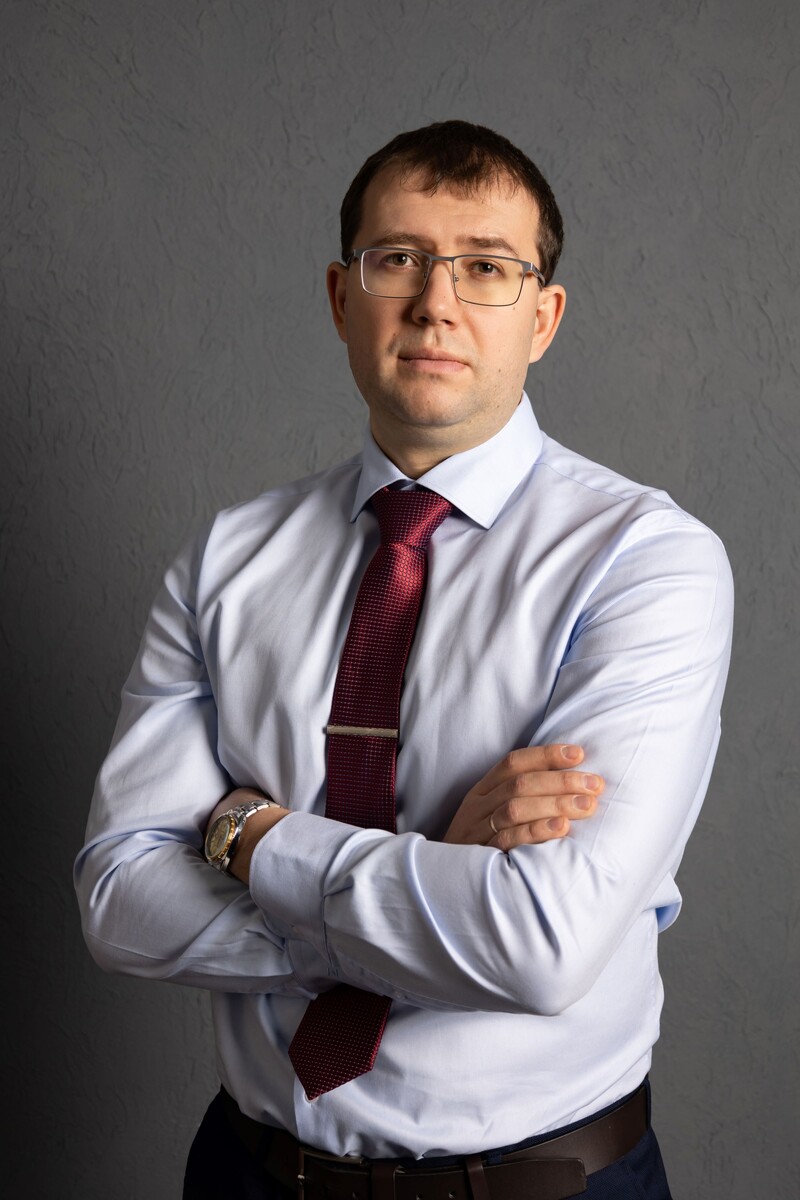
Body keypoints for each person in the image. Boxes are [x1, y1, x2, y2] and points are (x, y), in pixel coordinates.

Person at [75, 120, 733, 1199]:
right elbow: (119, 898)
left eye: (486, 267)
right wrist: (429, 872)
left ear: (542, 317)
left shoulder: (644, 562)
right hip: (250, 1174)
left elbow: (537, 946)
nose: (435, 302)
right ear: (342, 298)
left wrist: (254, 837)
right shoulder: (226, 560)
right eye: (399, 259)